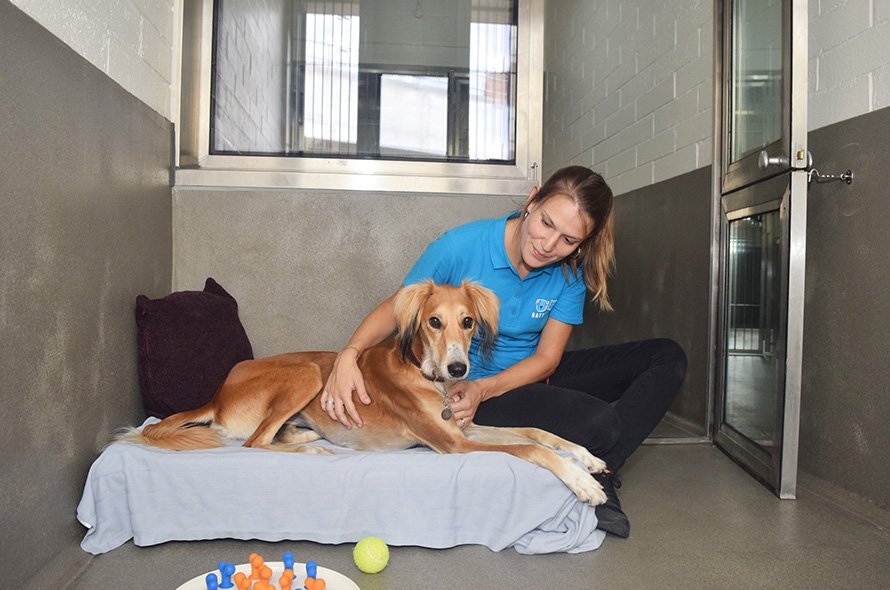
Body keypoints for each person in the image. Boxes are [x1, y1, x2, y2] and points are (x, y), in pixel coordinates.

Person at [320, 165, 687, 538]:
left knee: (666, 356)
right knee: (600, 424)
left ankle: (603, 468)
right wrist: (349, 355)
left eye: (568, 240)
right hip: (472, 388)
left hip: (525, 375)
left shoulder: (568, 274)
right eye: (546, 223)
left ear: (581, 243)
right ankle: (600, 468)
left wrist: (492, 386)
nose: (548, 245)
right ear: (532, 200)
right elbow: (397, 307)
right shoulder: (461, 246)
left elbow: (547, 358)